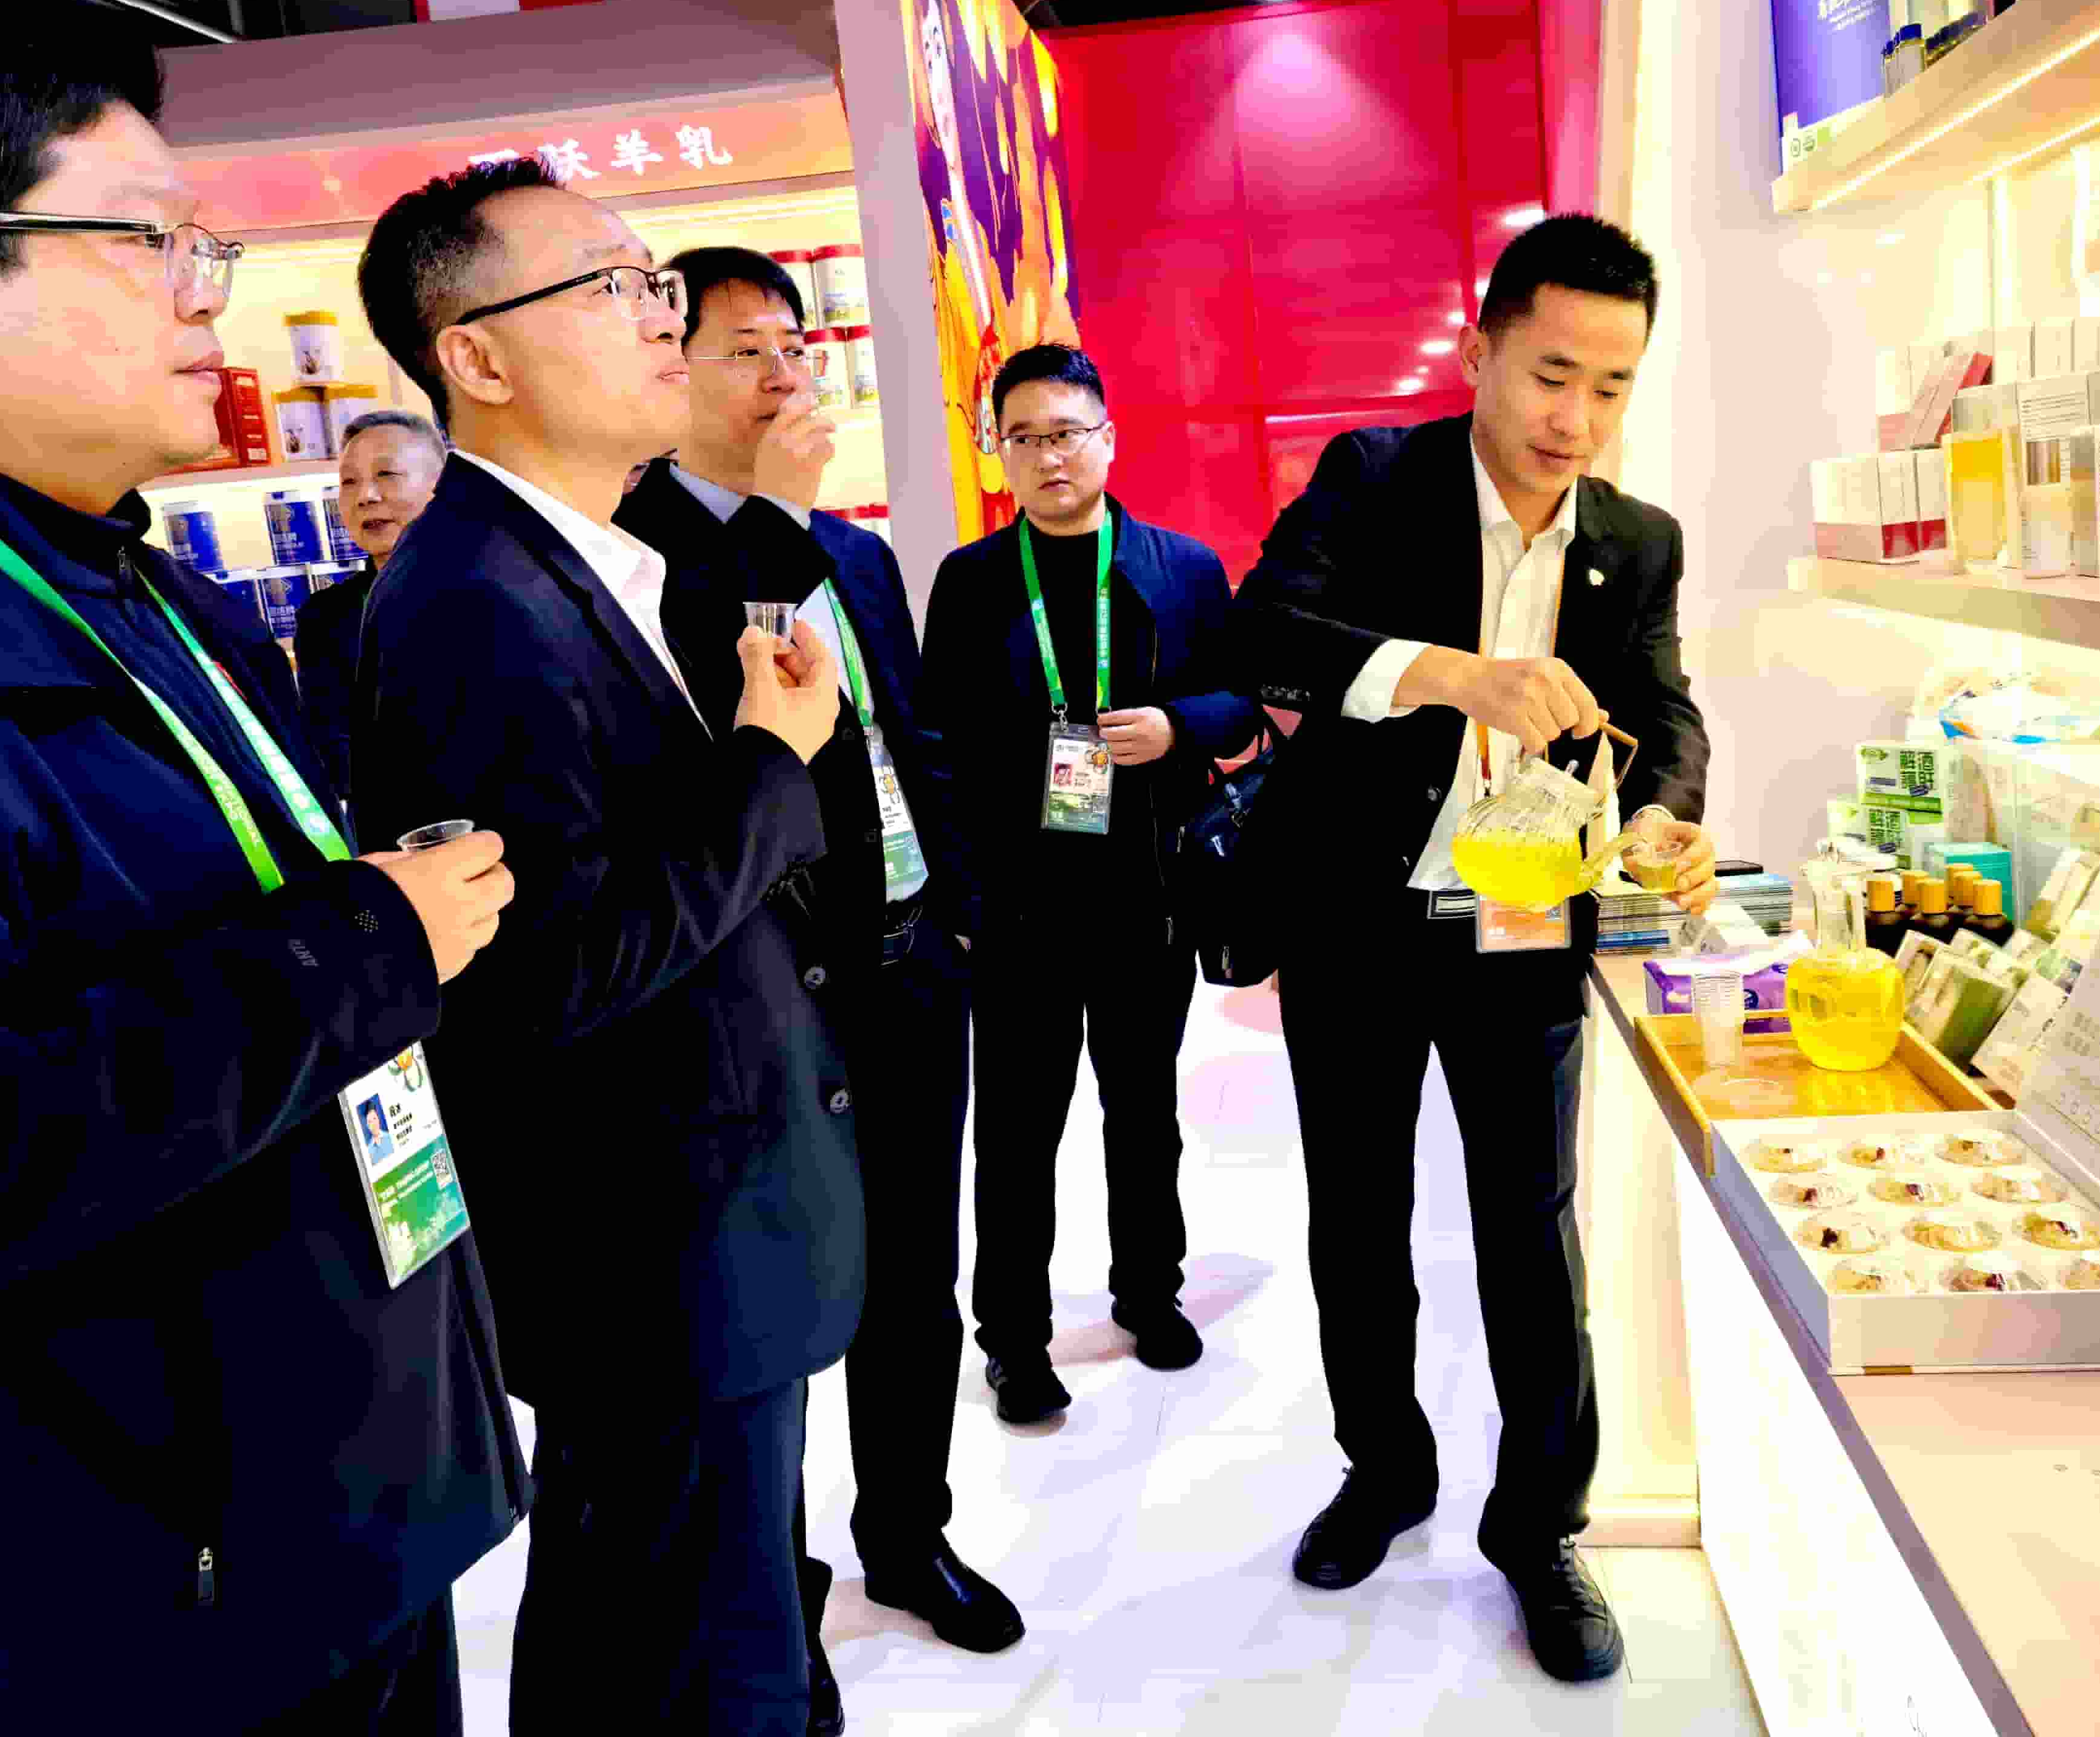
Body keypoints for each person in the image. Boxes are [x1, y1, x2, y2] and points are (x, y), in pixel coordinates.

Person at [0, 0, 522, 1734]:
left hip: (350, 1486)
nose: (209, 296)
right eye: (150, 243)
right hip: (150, 1584)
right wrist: (365, 946)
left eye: (205, 248)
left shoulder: (164, 592)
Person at [349, 161, 858, 1737]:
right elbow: (545, 972)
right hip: (655, 1254)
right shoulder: (474, 606)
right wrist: (766, 763)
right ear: (477, 359)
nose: (660, 320)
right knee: (697, 1662)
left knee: (668, 1620)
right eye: (613, 289)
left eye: (657, 288)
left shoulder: (583, 561)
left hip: (702, 1230)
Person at [1233, 213, 1715, 1685]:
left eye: (1611, 386)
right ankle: (1383, 1470)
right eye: (1551, 374)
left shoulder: (1634, 541)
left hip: (1520, 922)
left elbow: (1663, 709)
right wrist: (1455, 676)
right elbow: (1266, 634)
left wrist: (1666, 815)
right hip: (1357, 918)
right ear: (1480, 350)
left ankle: (1541, 1524)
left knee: (1530, 1231)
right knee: (1358, 1216)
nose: (1576, 417)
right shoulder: (1376, 479)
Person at [618, 248, 1023, 1731]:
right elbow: (726, 752)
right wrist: (776, 526)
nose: (786, 371)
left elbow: (918, 744)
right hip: (776, 993)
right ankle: (777, 1595)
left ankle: (907, 1535)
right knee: (781, 1305)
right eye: (745, 349)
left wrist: (961, 919)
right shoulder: (643, 557)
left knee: (916, 1282)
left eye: (793, 345)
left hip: (913, 966)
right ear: (670, 373)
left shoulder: (849, 551)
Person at [921, 344, 1261, 1427]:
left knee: (1144, 1115)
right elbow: (938, 750)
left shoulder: (1179, 567)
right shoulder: (972, 582)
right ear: (999, 453)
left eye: (1066, 432)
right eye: (1021, 437)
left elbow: (1241, 704)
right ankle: (1013, 1341)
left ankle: (1149, 1295)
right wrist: (964, 903)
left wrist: (1177, 726)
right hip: (1019, 911)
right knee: (1016, 1138)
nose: (1047, 455)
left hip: (1144, 900)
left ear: (1107, 438)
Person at [294, 408, 446, 802]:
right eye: (349, 482)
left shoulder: (499, 589)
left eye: (386, 474)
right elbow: (333, 751)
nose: (366, 497)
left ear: (441, 486)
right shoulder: (326, 618)